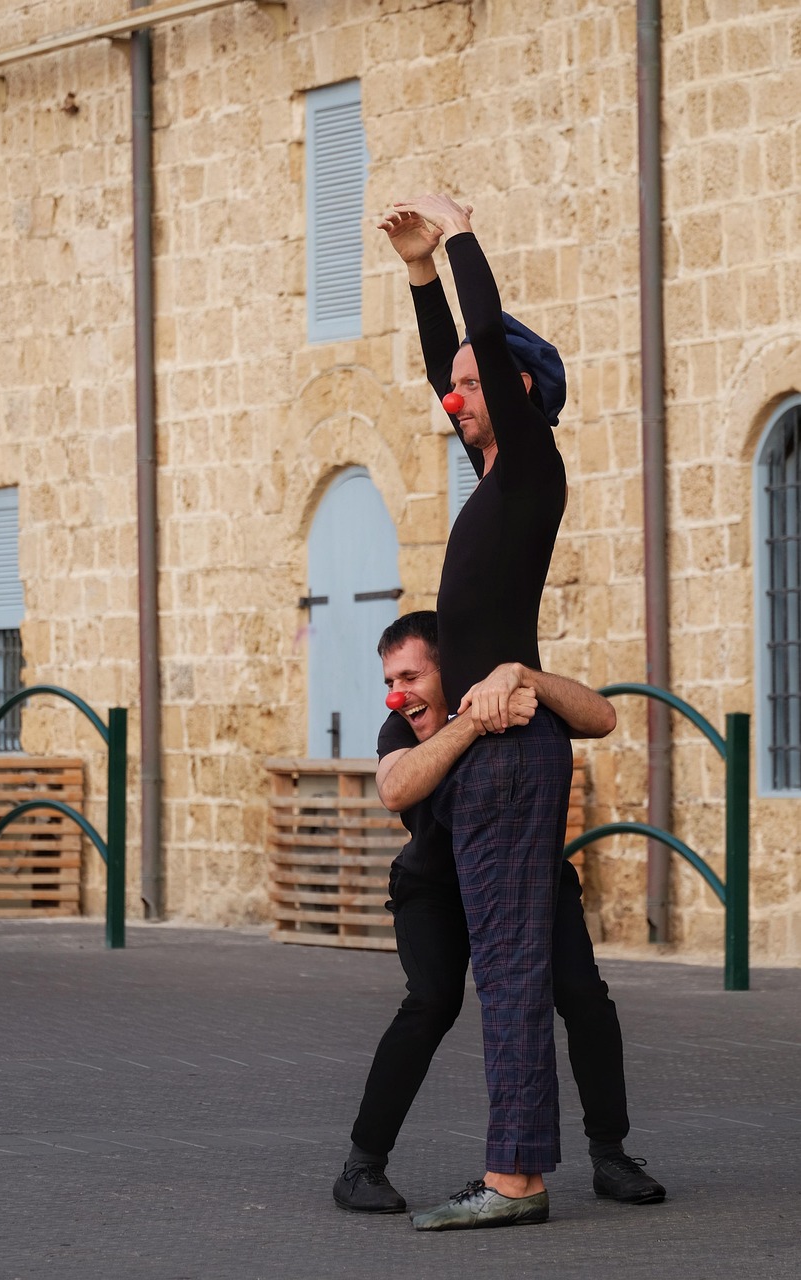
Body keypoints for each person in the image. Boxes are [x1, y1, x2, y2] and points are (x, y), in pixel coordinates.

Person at [379, 193, 579, 1229]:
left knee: (508, 967)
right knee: (507, 965)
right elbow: (442, 366)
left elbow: (485, 346)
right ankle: (517, 1171)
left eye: (474, 384)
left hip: (507, 749)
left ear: (518, 392)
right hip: (486, 753)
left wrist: (459, 234)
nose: (453, 397)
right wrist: (420, 273)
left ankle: (514, 1181)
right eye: (453, 386)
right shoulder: (495, 478)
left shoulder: (532, 466)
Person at [333, 613, 666, 1220]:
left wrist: (523, 678)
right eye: (389, 680)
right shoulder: (401, 725)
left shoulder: (511, 700)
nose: (396, 694)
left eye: (410, 676)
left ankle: (611, 1156)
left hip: (529, 876)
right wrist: (468, 725)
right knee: (432, 1002)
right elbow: (396, 789)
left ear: (450, 668)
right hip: (435, 889)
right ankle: (362, 1165)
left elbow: (602, 717)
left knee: (584, 997)